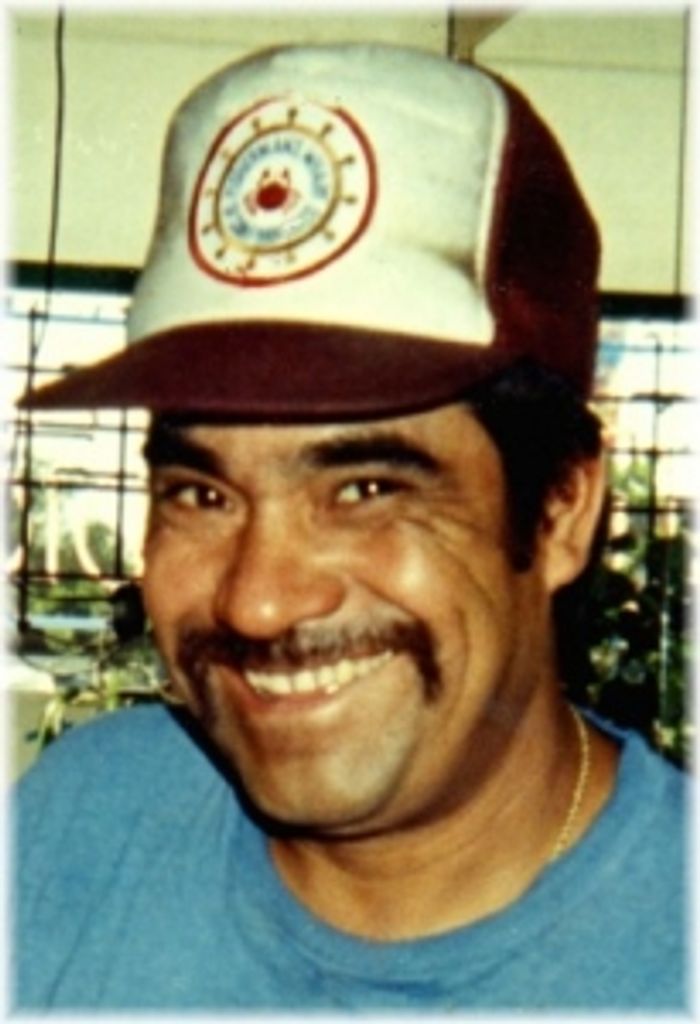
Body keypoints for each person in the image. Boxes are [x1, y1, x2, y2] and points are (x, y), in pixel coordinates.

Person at [13, 43, 688, 1011]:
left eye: (366, 488)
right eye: (201, 493)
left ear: (560, 511)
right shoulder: (83, 822)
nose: (257, 601)